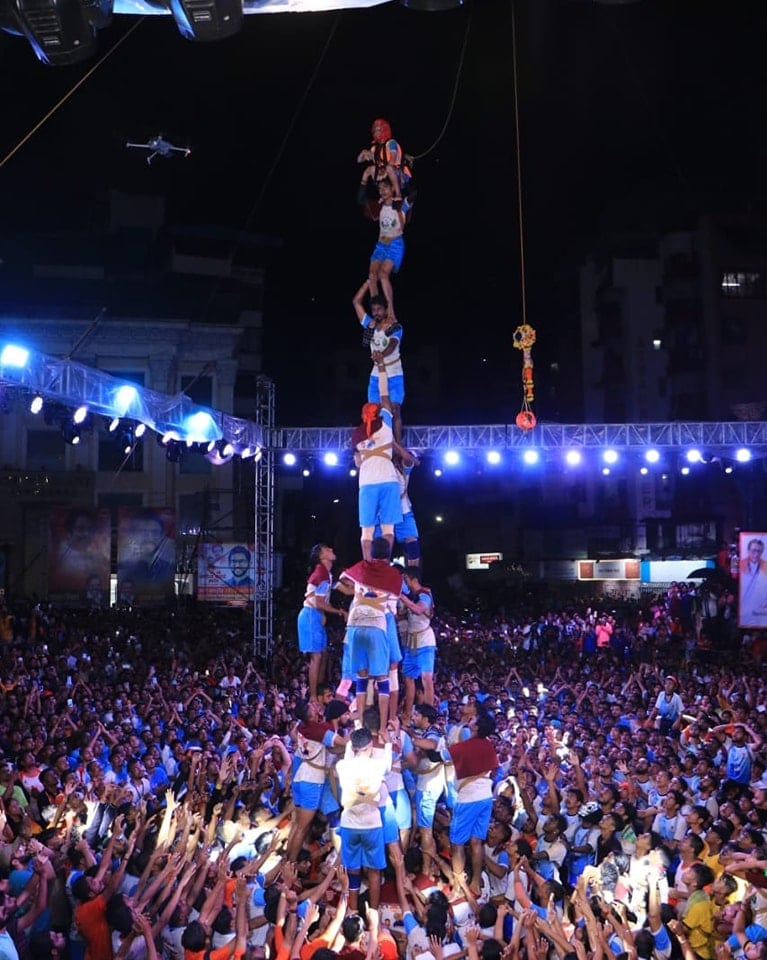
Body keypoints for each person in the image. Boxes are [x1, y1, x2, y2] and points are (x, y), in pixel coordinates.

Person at [338, 538, 404, 732]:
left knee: (361, 677)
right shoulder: (393, 574)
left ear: (372, 552)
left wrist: (357, 590)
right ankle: (383, 728)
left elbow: (341, 580)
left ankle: (359, 725)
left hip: (355, 624)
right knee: (383, 680)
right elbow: (394, 601)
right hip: (377, 624)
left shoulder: (361, 566)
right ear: (388, 553)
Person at [335, 726, 391, 916]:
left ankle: (352, 913)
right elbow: (389, 767)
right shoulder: (377, 765)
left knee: (353, 871)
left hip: (349, 823)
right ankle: (373, 915)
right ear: (370, 746)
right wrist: (389, 743)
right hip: (371, 824)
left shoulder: (342, 766)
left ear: (353, 747)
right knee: (374, 872)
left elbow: (348, 755)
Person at [351, 364, 402, 561]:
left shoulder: (357, 434)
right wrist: (381, 367)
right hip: (388, 479)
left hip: (367, 482)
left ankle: (368, 565)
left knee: (367, 531)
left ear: (363, 416)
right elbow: (384, 394)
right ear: (378, 412)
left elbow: (357, 463)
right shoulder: (386, 424)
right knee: (388, 528)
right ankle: (384, 565)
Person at [447, 708, 499, 888]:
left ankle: (459, 885)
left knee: (457, 843)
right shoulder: (488, 744)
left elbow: (441, 755)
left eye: (474, 718)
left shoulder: (466, 746)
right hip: (486, 797)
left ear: (476, 727)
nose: (471, 718)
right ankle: (475, 882)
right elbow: (495, 767)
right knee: (477, 841)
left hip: (468, 799)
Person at [353, 282, 404, 445]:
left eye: (379, 309)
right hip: (376, 375)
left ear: (385, 309)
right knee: (372, 411)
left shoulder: (395, 327)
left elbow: (392, 345)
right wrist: (368, 283)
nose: (376, 313)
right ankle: (373, 441)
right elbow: (356, 302)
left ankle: (398, 444)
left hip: (394, 374)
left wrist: (380, 355)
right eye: (373, 310)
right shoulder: (370, 326)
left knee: (394, 410)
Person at [297, 543, 347, 702]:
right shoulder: (321, 574)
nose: (332, 549)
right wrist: (339, 611)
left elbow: (346, 590)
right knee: (316, 657)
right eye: (327, 549)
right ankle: (313, 697)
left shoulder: (328, 574)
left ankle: (320, 689)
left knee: (324, 654)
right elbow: (318, 603)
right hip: (311, 615)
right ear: (322, 556)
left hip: (317, 616)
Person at [357, 178, 406, 323]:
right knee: (372, 276)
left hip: (395, 245)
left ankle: (391, 312)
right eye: (380, 189)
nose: (382, 191)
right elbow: (360, 200)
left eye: (385, 188)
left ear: (392, 189)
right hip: (381, 245)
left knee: (383, 275)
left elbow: (412, 193)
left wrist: (397, 178)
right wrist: (365, 179)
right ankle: (377, 312)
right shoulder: (378, 207)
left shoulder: (400, 205)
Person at [399, 568, 436, 716]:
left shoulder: (424, 595)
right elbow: (403, 615)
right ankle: (407, 713)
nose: (404, 583)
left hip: (425, 641)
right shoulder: (411, 596)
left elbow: (418, 610)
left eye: (405, 580)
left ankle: (428, 715)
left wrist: (401, 596)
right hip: (411, 643)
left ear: (413, 580)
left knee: (426, 678)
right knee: (407, 677)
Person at [117, 509, 175, 591]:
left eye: (154, 532)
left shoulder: (169, 569)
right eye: (143, 532)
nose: (149, 537)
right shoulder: (123, 570)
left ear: (162, 536)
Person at [356, 117, 411, 202]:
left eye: (378, 129)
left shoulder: (391, 143)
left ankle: (398, 194)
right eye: (374, 130)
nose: (376, 132)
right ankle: (361, 197)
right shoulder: (374, 148)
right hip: (385, 174)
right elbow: (359, 161)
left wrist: (384, 172)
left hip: (398, 174)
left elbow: (392, 162)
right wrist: (363, 153)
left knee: (389, 168)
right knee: (368, 170)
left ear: (384, 129)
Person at [740, 538, 767, 627]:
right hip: (744, 608)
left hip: (761, 608)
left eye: (759, 551)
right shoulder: (741, 564)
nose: (756, 554)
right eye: (753, 551)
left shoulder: (765, 565)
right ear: (748, 551)